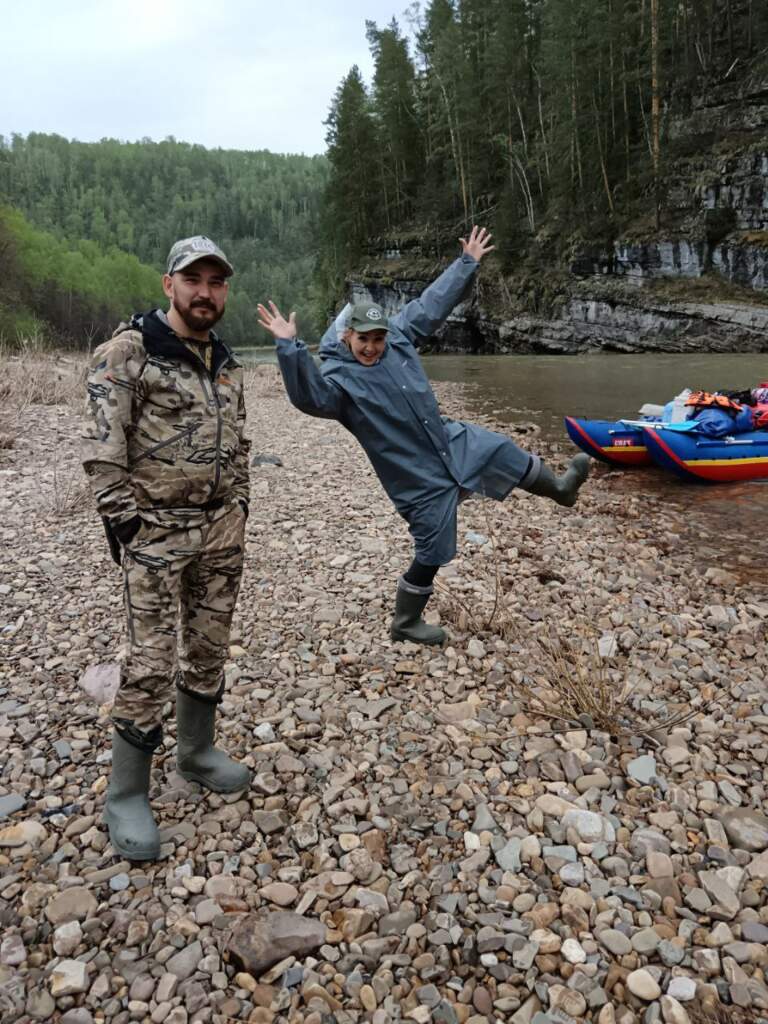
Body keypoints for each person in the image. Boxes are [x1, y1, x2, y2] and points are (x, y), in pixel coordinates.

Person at [257, 226, 590, 646]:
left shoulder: (398, 337)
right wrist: (289, 348)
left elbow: (431, 304)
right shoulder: (338, 381)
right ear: (346, 336)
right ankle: (405, 622)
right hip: (414, 475)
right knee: (433, 548)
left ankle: (560, 488)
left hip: (451, 442)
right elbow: (308, 397)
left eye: (378, 338)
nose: (372, 347)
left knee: (502, 450)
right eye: (364, 339)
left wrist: (466, 262)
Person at [82, 235, 251, 862]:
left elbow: (238, 443)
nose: (205, 292)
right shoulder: (128, 353)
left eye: (216, 281)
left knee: (208, 646)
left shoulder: (225, 360)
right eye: (193, 279)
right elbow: (102, 450)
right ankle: (126, 792)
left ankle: (197, 752)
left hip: (221, 531)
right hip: (154, 532)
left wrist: (241, 505)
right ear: (168, 284)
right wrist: (126, 527)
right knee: (150, 660)